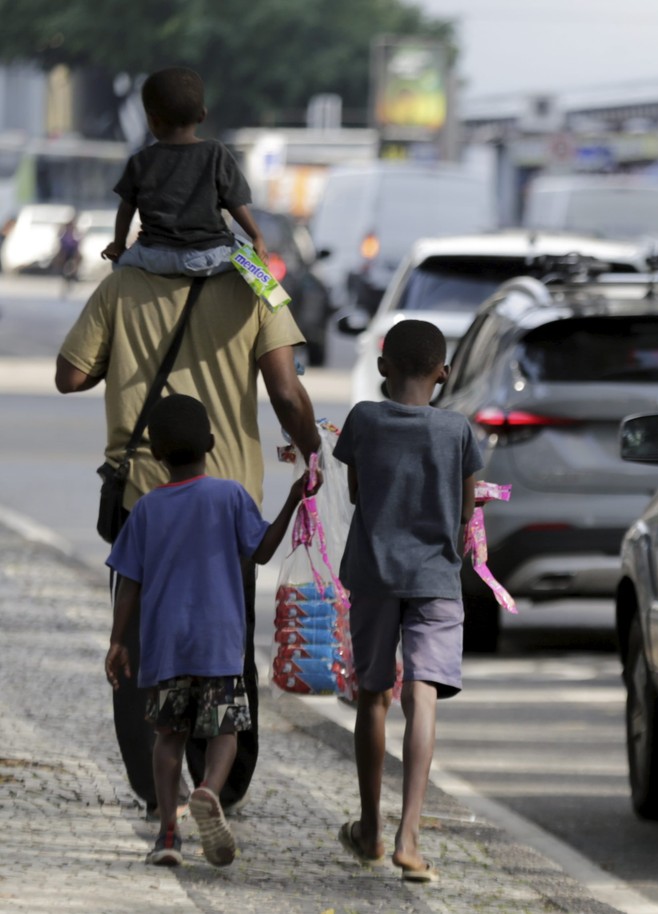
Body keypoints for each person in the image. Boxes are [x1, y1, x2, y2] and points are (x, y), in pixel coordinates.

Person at [56, 253, 320, 819]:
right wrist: (313, 459)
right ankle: (219, 788)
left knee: (143, 660)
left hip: (143, 492)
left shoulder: (122, 284)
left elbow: (69, 375)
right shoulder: (255, 282)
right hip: (230, 498)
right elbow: (285, 389)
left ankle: (158, 797)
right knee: (228, 647)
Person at [105, 395, 307, 867]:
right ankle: (210, 792)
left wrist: (117, 640)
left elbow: (128, 583)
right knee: (225, 732)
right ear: (213, 444)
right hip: (219, 645)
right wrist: (292, 501)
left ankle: (168, 836)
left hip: (166, 647)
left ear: (155, 454)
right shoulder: (231, 496)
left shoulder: (148, 509)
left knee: (168, 737)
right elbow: (261, 552)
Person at [332, 319, 483, 882]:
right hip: (435, 581)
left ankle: (369, 828)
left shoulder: (364, 419)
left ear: (382, 367)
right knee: (423, 697)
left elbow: (355, 490)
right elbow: (466, 512)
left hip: (373, 575)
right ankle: (409, 836)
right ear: (443, 373)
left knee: (374, 696)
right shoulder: (458, 431)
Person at [100, 67, 266, 277]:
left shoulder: (140, 160)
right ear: (203, 115)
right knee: (254, 266)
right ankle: (274, 305)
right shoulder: (215, 153)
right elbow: (235, 203)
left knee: (120, 267)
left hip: (153, 257)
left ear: (152, 120)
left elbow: (126, 209)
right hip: (208, 256)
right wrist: (257, 237)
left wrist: (118, 244)